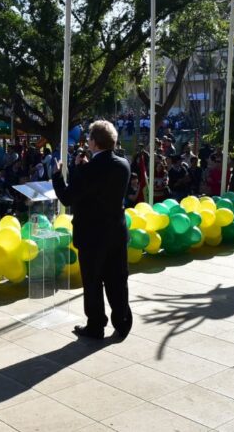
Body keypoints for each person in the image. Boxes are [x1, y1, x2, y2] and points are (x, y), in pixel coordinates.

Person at [52, 120, 132, 340]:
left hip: (91, 236)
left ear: (94, 143)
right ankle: (122, 321)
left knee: (93, 282)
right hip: (116, 233)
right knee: (117, 280)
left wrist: (58, 175)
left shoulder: (88, 170)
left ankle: (96, 325)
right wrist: (82, 168)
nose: (87, 142)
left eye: (88, 139)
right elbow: (99, 186)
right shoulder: (123, 163)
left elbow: (68, 197)